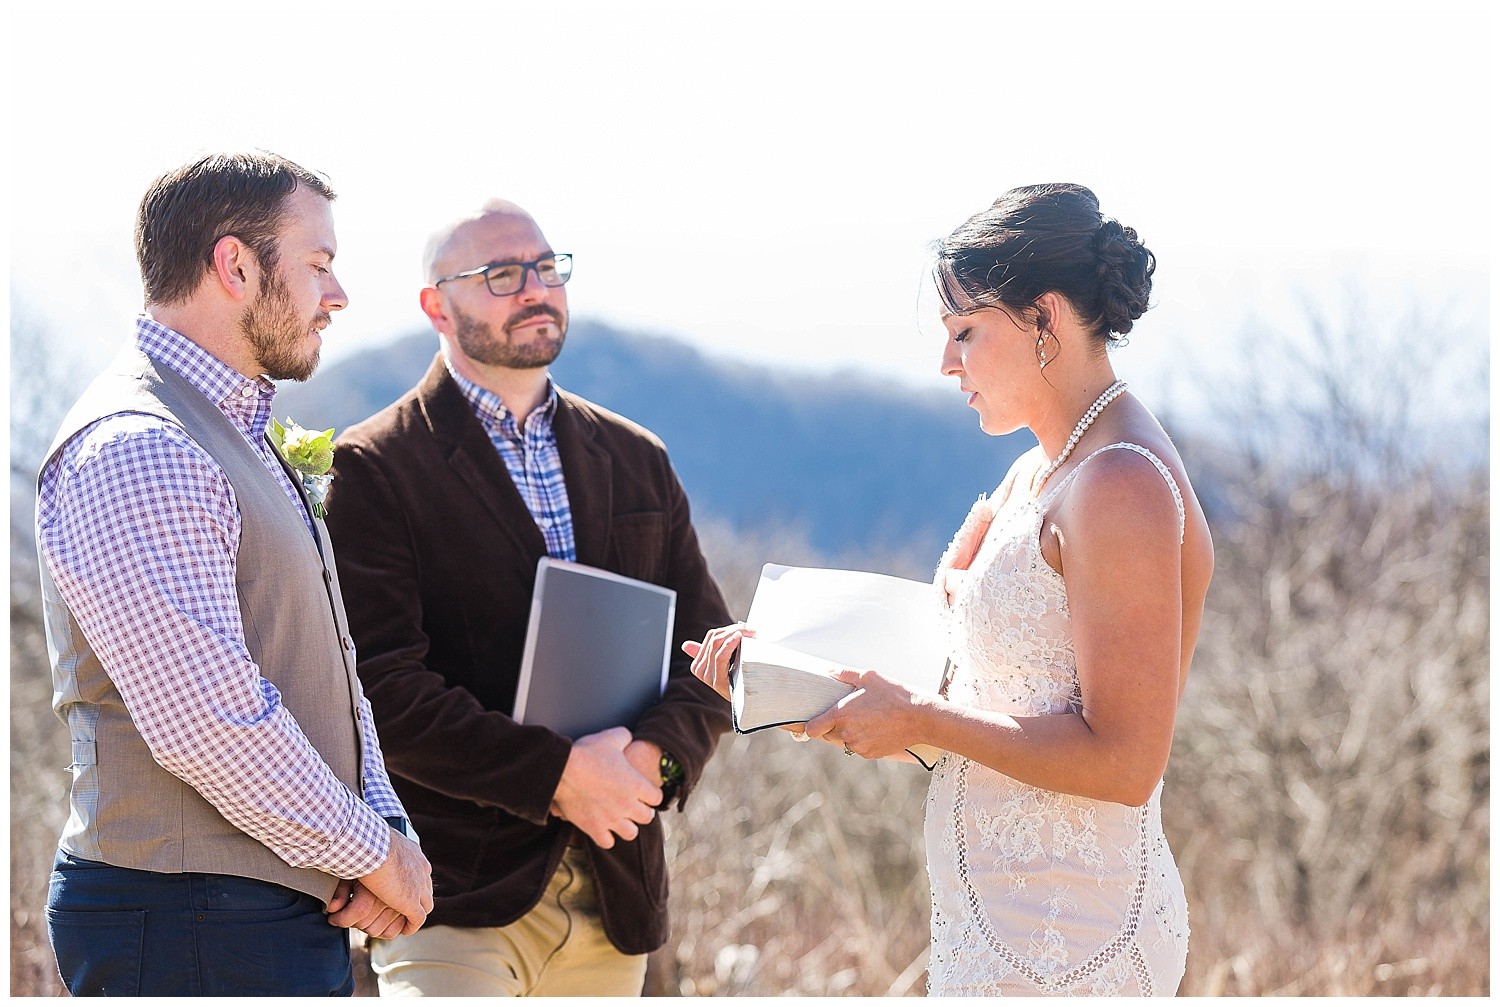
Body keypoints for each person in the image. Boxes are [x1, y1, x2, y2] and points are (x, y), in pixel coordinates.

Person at [688, 183, 1213, 996]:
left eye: (965, 331)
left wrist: (918, 717)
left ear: (1044, 318)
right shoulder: (1039, 469)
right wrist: (801, 681)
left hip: (1074, 938)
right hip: (996, 926)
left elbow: (1125, 760)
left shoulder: (1120, 483)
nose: (945, 362)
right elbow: (978, 708)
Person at [35, 152, 434, 997]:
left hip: (250, 916)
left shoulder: (234, 434)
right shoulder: (140, 447)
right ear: (235, 264)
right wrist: (374, 853)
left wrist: (384, 824)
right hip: (183, 921)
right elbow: (210, 721)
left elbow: (324, 660)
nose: (338, 294)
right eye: (319, 264)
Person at [322, 199, 733, 996]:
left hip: (618, 898)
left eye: (547, 268)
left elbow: (713, 653)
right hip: (453, 897)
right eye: (502, 275)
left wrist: (653, 762)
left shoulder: (637, 456)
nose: (535, 289)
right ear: (436, 305)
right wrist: (554, 775)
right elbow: (381, 690)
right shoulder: (374, 465)